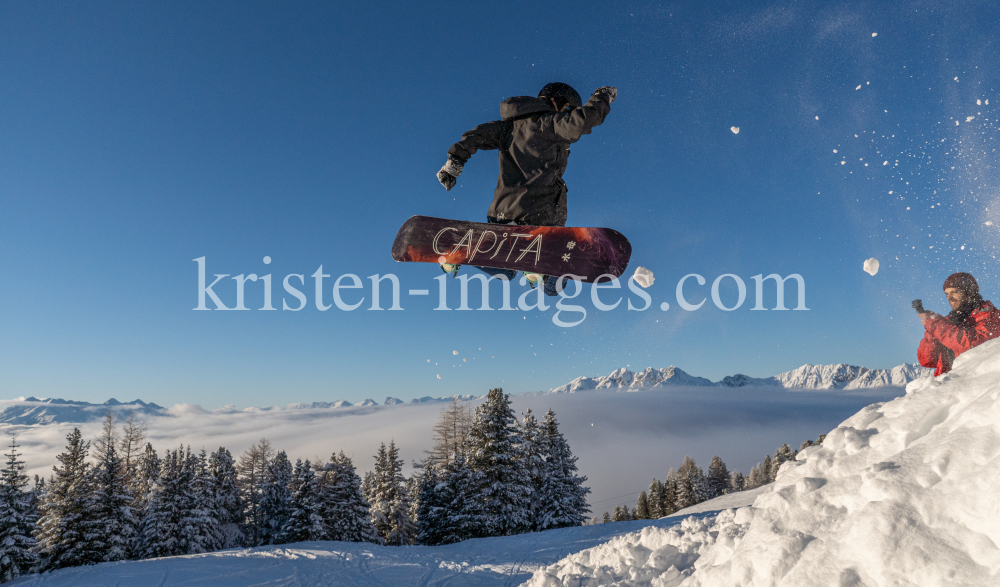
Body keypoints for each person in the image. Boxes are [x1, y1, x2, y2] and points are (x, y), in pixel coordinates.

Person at [435, 82, 617, 296]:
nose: (568, 115)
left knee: (507, 272)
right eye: (568, 110)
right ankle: (539, 271)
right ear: (556, 103)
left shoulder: (508, 127)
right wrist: (602, 97)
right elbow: (582, 122)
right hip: (539, 216)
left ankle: (462, 251)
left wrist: (454, 162)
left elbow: (476, 136)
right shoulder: (550, 123)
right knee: (554, 287)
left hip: (502, 215)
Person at [917, 272, 1000, 375]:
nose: (949, 297)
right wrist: (930, 330)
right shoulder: (949, 321)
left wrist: (936, 325)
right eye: (947, 294)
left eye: (954, 292)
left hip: (973, 386)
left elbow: (974, 346)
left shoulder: (990, 315)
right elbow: (927, 361)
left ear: (969, 292)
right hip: (948, 386)